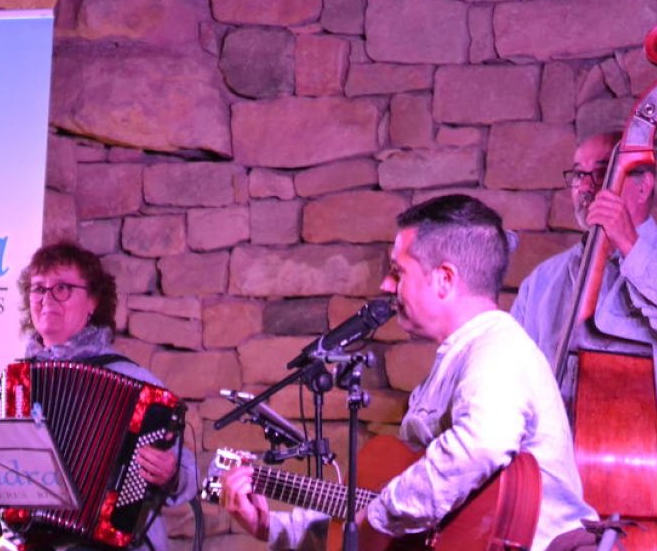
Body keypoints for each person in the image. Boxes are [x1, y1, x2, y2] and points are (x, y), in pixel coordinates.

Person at [221, 194, 598, 551]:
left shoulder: (497, 349)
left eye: (398, 272)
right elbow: (377, 517)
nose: (386, 286)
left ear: (444, 280)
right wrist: (273, 527)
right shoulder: (454, 363)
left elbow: (482, 443)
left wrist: (383, 513)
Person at [511, 132, 657, 551]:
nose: (588, 187)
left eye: (603, 174)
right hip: (557, 496)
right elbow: (514, 384)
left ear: (643, 185)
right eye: (579, 175)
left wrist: (628, 244)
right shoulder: (541, 282)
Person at [0, 240, 198, 551]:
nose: (46, 298)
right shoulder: (18, 385)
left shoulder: (134, 383)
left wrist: (170, 474)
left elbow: (189, 474)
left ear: (92, 302)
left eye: (62, 288)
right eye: (38, 288)